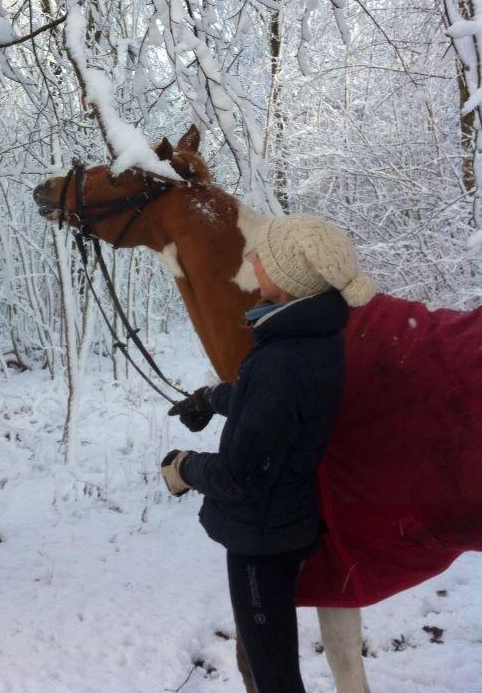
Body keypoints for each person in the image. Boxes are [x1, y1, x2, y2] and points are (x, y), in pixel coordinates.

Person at [160, 214, 376, 693]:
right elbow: (275, 404)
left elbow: (241, 475)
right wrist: (212, 399)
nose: (253, 259)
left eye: (264, 256)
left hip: (262, 538)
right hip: (284, 521)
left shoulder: (281, 359)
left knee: (272, 674)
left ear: (288, 277)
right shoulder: (309, 338)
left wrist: (184, 467)